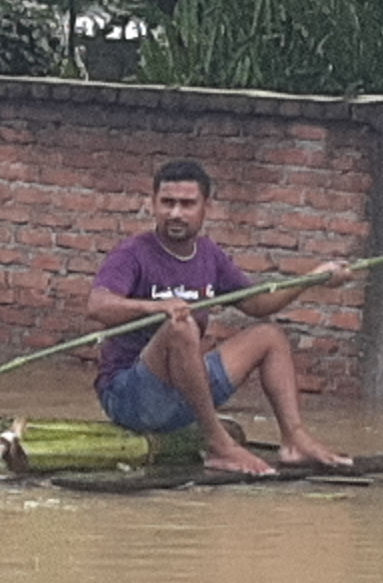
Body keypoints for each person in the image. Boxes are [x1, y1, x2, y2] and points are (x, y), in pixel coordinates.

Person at [78, 158, 351, 479]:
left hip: (188, 391)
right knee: (181, 327)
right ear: (152, 204)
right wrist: (155, 307)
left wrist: (312, 279)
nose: (176, 213)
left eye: (187, 204)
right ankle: (217, 442)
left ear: (206, 207)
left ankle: (295, 440)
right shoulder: (133, 253)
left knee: (269, 336)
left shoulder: (209, 255)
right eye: (167, 203)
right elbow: (98, 305)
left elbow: (258, 303)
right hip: (132, 397)